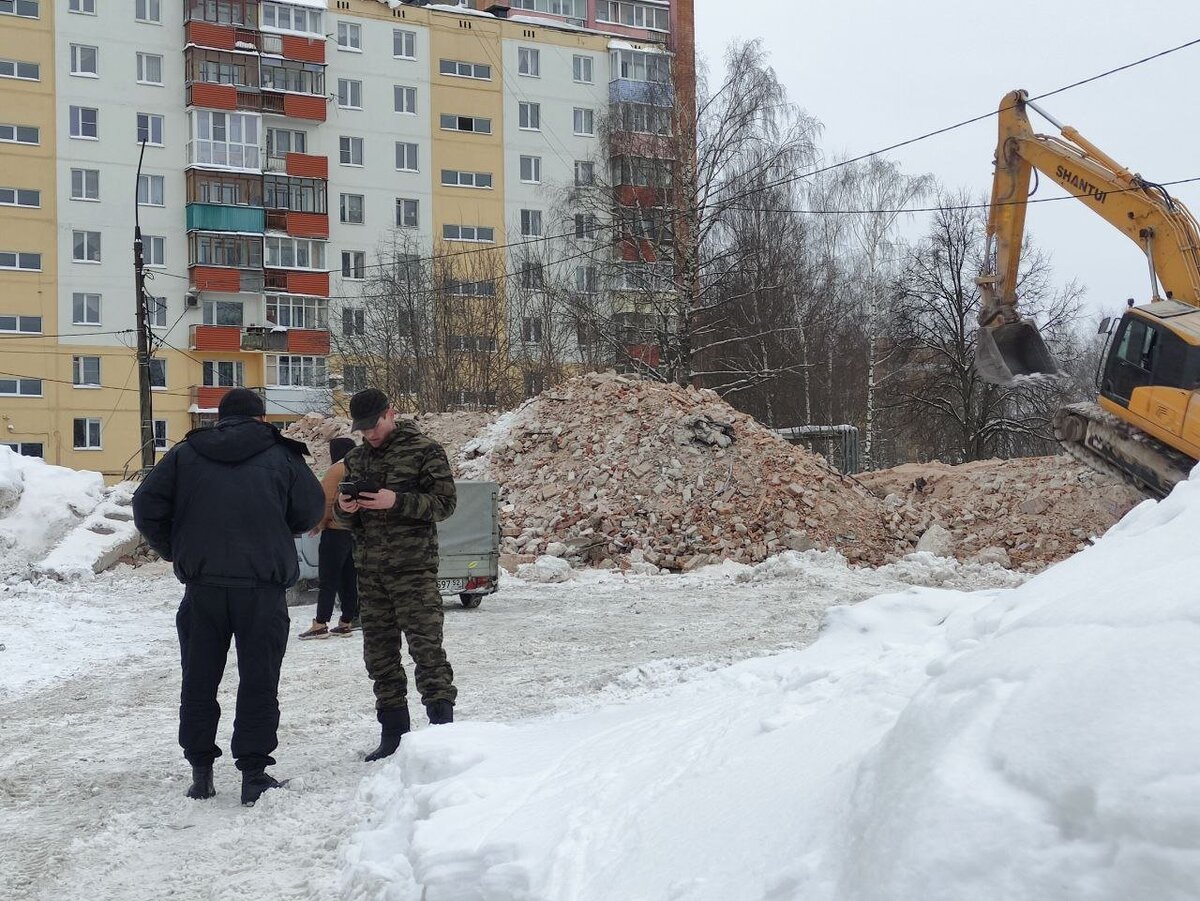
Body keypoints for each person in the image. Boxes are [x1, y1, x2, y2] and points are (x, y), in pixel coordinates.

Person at [132, 388, 325, 805]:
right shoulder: (282, 454)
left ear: (220, 419)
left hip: (203, 588)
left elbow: (146, 505)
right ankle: (253, 775)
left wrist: (175, 548)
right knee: (259, 679)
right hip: (261, 589)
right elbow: (311, 510)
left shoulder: (186, 454)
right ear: (259, 419)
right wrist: (276, 525)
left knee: (199, 679)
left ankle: (201, 773)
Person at [334, 388, 458, 761]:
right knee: (380, 656)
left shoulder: (425, 450)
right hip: (370, 575)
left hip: (414, 572)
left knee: (427, 652)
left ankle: (443, 733)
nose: (369, 434)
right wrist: (345, 507)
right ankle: (393, 734)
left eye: (374, 425)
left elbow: (445, 503)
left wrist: (397, 501)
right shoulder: (355, 459)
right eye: (363, 429)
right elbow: (346, 522)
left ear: (390, 414)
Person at [299, 436, 360, 639]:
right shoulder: (360, 466)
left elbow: (326, 501)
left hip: (335, 531)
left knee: (328, 578)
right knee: (349, 578)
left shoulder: (336, 470)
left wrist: (319, 524)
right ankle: (346, 621)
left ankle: (320, 623)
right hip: (355, 532)